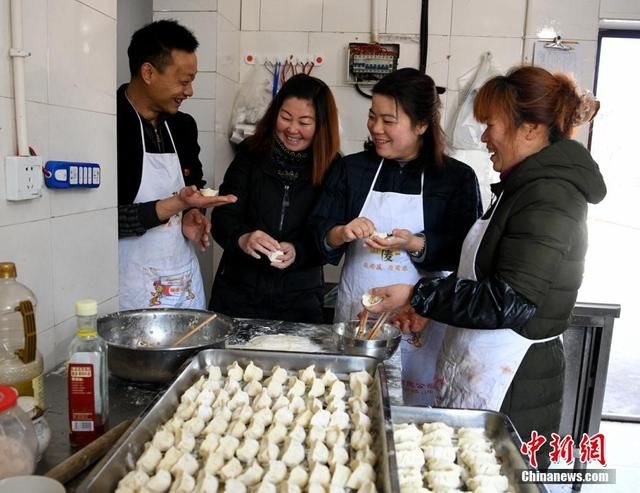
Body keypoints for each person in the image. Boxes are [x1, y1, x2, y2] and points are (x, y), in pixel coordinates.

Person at [368, 65, 605, 468]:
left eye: (490, 125)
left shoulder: (550, 195)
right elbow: (488, 280)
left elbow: (510, 300)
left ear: (529, 129)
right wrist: (428, 308)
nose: (483, 137)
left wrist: (417, 293)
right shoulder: (522, 186)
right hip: (487, 370)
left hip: (512, 386)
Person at [310, 68, 482, 404]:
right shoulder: (352, 170)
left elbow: (467, 257)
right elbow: (318, 232)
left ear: (421, 125)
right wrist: (341, 232)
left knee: (417, 418)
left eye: (389, 121)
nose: (376, 128)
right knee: (352, 404)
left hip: (420, 321)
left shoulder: (455, 178)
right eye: (373, 116)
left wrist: (415, 243)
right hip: (357, 317)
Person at [117, 20, 236, 310]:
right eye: (184, 81)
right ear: (148, 72)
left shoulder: (183, 127)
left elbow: (192, 182)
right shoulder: (110, 124)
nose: (190, 91)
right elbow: (98, 221)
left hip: (182, 277)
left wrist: (191, 213)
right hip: (130, 282)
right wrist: (172, 206)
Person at [209, 74, 340, 323]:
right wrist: (242, 238)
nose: (292, 129)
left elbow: (330, 235)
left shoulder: (333, 168)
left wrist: (298, 251)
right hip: (238, 292)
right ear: (274, 114)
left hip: (299, 298)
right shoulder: (250, 154)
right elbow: (223, 215)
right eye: (286, 118)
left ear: (321, 125)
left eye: (304, 122)